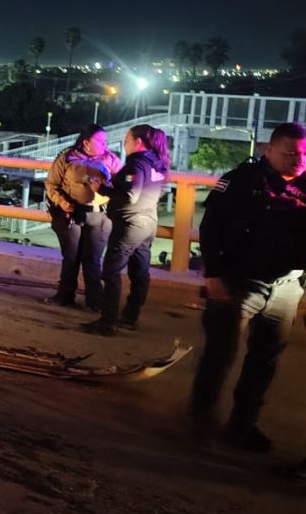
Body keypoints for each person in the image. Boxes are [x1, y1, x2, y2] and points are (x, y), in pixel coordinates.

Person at [189, 122, 306, 452]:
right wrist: (212, 273)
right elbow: (211, 226)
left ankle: (243, 424)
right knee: (221, 351)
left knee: (265, 358)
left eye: (303, 155)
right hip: (238, 281)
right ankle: (201, 418)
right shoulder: (242, 180)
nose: (298, 160)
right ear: (270, 150)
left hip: (287, 286)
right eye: (291, 154)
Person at [82, 124, 170, 336]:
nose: (124, 143)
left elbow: (131, 195)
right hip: (148, 222)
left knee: (111, 271)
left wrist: (100, 188)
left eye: (127, 139)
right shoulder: (157, 164)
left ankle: (108, 322)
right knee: (140, 272)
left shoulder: (137, 164)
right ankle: (130, 316)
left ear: (138, 142)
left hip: (130, 224)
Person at [44, 125, 123, 309]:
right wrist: (61, 201)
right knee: (71, 257)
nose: (105, 144)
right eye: (100, 141)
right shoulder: (67, 157)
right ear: (86, 142)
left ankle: (95, 300)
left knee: (93, 259)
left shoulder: (111, 160)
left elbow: (122, 187)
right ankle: (65, 295)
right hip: (71, 214)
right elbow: (51, 183)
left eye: (105, 140)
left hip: (99, 215)